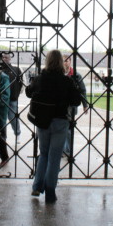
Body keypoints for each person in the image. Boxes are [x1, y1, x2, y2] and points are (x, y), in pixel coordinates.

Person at [26, 49, 81, 203]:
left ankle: (37, 186)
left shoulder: (40, 78)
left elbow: (28, 92)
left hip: (43, 121)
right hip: (60, 121)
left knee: (43, 153)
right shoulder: (66, 81)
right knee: (54, 156)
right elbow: (76, 100)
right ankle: (50, 190)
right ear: (60, 62)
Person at [62, 54, 88, 157]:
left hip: (71, 106)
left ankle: (68, 150)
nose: (66, 62)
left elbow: (82, 90)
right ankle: (62, 149)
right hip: (60, 105)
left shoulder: (76, 75)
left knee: (68, 129)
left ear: (70, 62)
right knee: (61, 128)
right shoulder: (58, 74)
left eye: (67, 60)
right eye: (64, 61)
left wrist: (85, 105)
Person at [2, 53, 23, 141]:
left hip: (12, 98)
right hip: (2, 98)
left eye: (7, 57)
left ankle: (17, 133)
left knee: (13, 118)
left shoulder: (16, 69)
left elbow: (21, 83)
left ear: (10, 59)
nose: (5, 59)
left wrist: (16, 93)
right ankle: (3, 137)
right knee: (1, 119)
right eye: (3, 57)